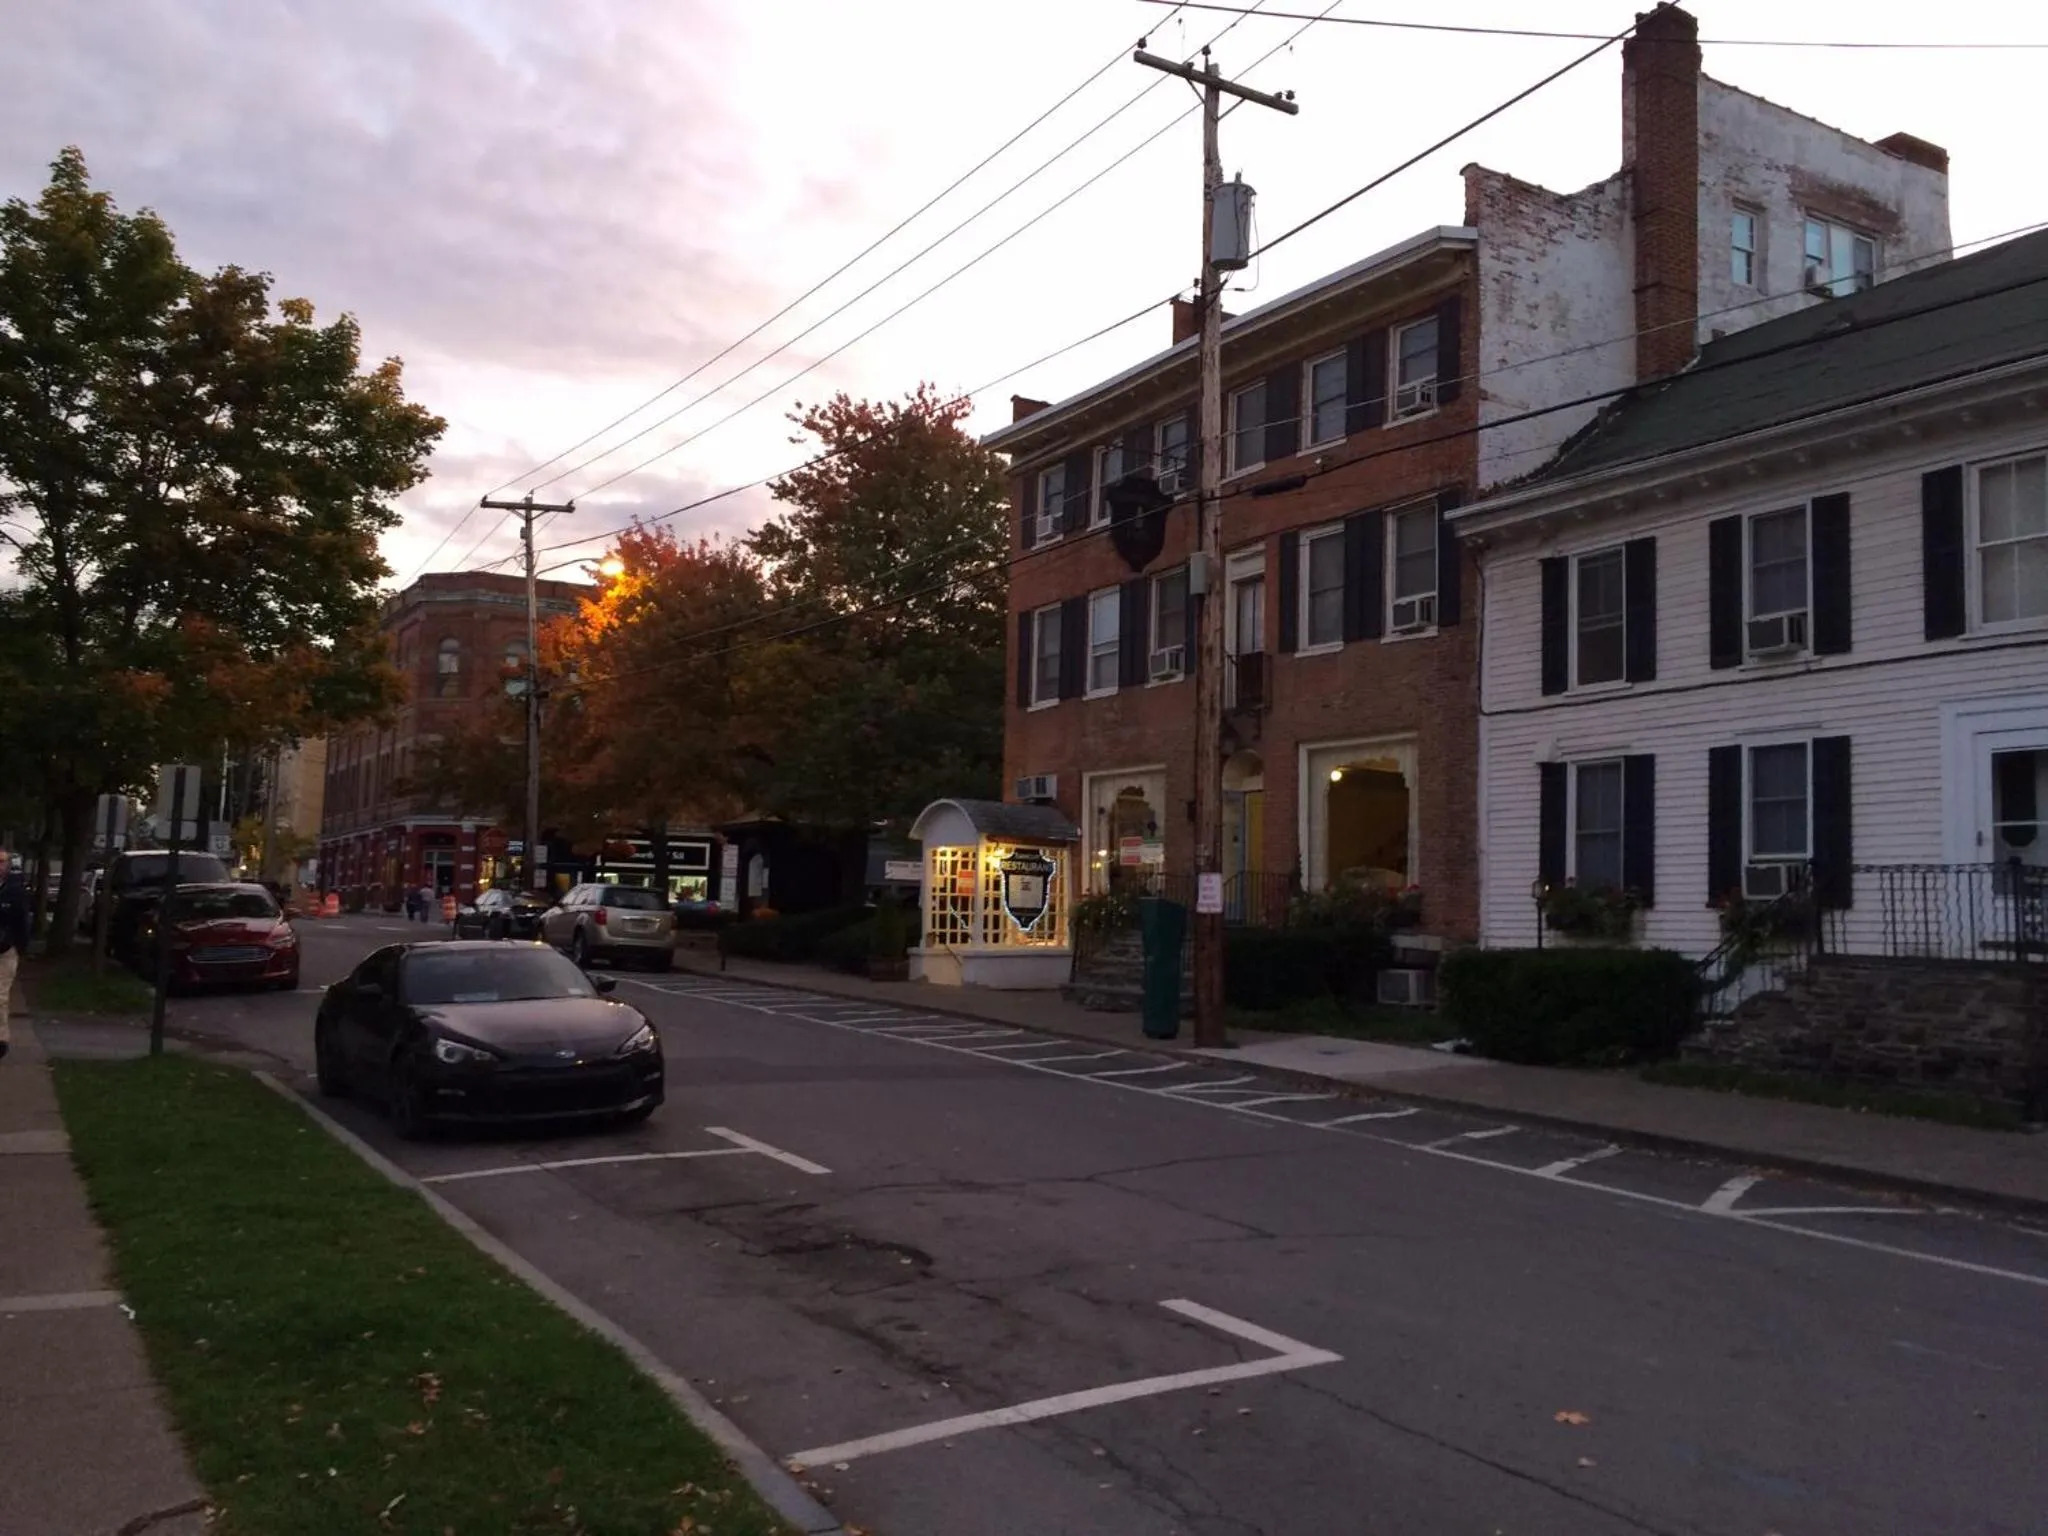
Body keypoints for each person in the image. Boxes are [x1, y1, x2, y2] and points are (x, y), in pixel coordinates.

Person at [0, 849, 30, 1062]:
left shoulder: (15, 892)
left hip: (5, 951)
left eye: (2, 861)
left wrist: (20, 947)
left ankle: (1, 1039)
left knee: (0, 996)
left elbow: (22, 921)